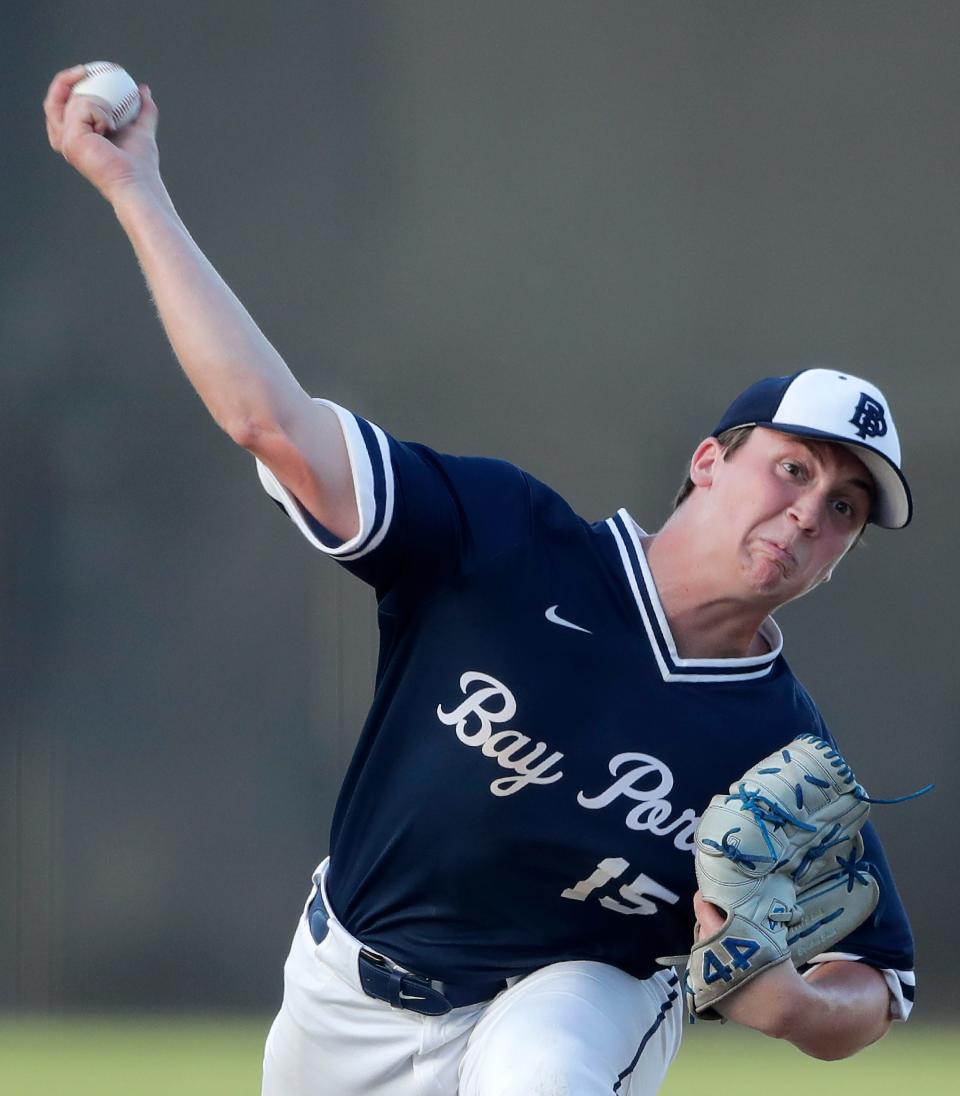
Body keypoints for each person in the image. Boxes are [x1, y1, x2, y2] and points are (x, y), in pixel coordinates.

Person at [46, 67, 916, 1095]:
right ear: (709, 461)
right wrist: (136, 188)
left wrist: (800, 1005)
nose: (811, 510)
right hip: (348, 989)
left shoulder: (784, 751)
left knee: (545, 1060)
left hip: (579, 1000)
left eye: (847, 507)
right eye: (794, 468)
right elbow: (271, 422)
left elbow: (880, 980)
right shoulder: (502, 540)